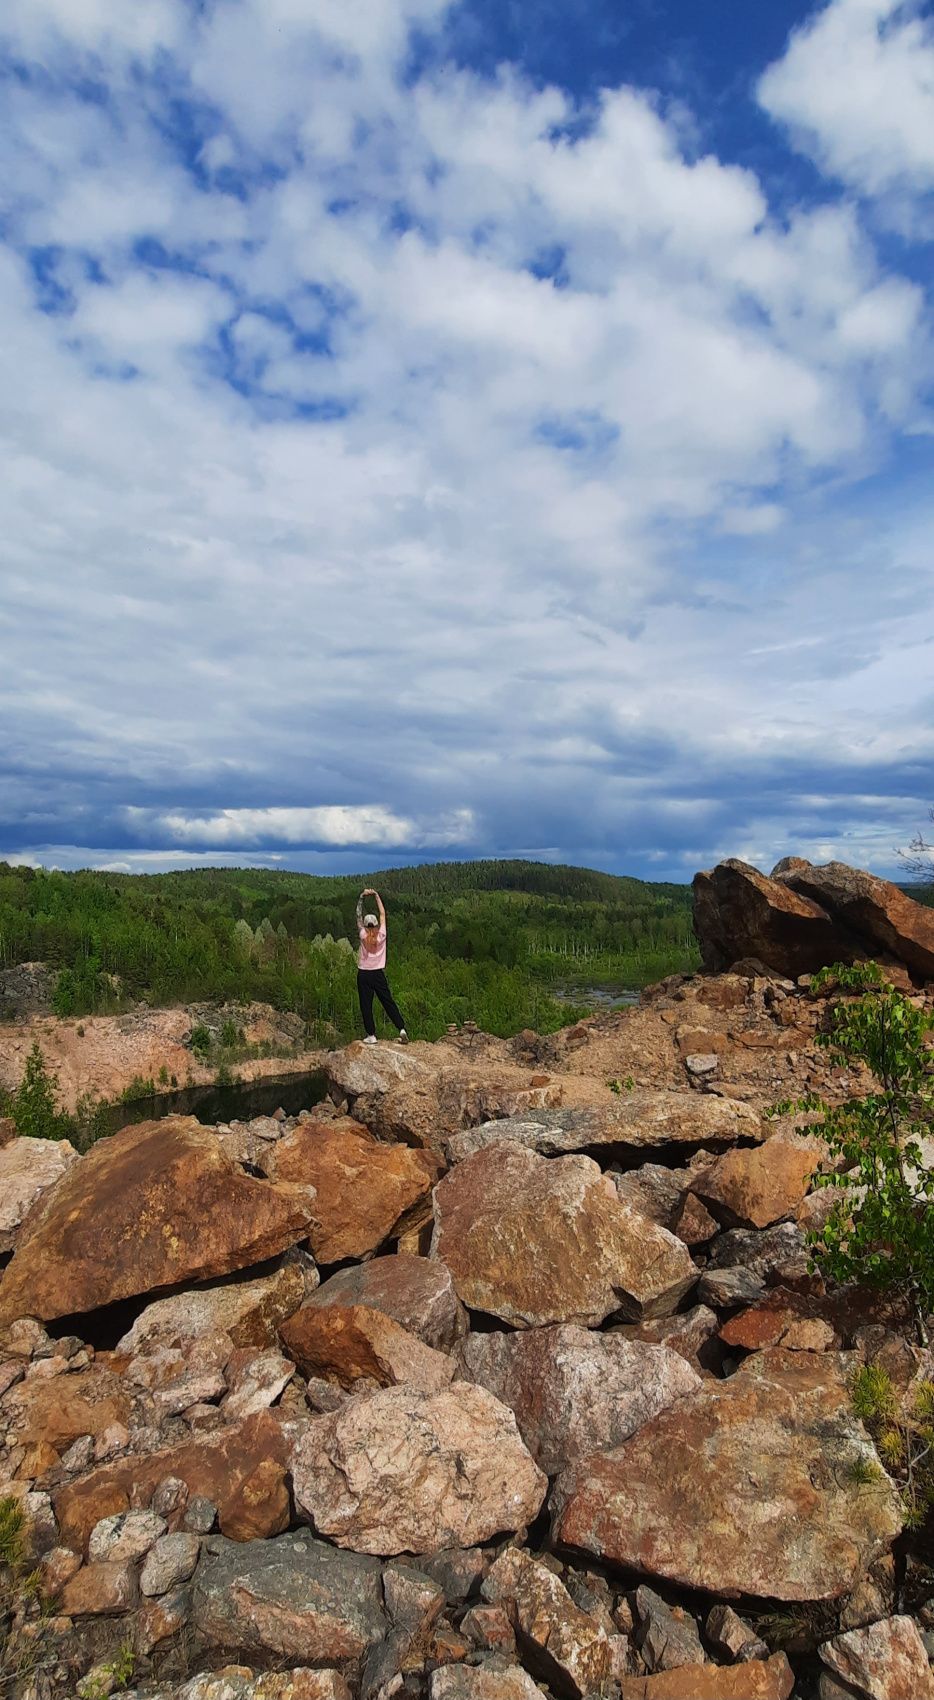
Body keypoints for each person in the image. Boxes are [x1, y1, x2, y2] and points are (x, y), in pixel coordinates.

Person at [355, 887, 408, 1044]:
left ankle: (371, 1035)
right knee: (387, 1001)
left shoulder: (363, 934)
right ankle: (401, 1028)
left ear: (365, 925)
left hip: (364, 973)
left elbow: (358, 915)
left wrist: (361, 898)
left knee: (366, 1005)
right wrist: (377, 896)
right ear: (376, 924)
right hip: (378, 973)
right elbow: (383, 913)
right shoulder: (382, 934)